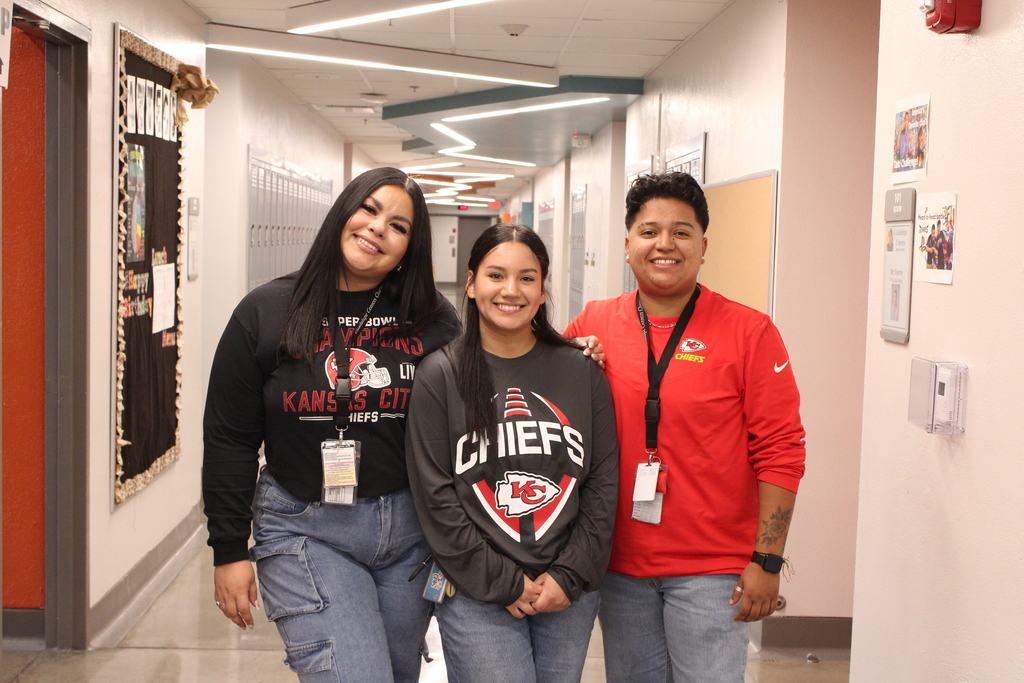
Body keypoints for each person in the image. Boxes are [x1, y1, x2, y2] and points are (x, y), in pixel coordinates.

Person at [203, 167, 461, 683]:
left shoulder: (432, 318)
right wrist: (229, 548)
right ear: (344, 211)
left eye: (399, 225)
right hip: (305, 527)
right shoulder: (267, 310)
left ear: (411, 246)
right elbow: (229, 438)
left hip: (413, 531)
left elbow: (475, 404)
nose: (377, 228)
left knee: (398, 674)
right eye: (369, 209)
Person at [565, 172, 806, 683]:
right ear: (628, 242)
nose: (665, 245)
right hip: (619, 562)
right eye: (649, 231)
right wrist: (570, 360)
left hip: (711, 568)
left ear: (703, 246)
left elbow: (782, 449)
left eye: (682, 231)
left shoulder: (749, 331)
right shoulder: (593, 324)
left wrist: (767, 558)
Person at [406, 224, 619, 683]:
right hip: (476, 591)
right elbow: (435, 496)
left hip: (567, 593)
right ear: (470, 283)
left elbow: (602, 484)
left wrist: (570, 574)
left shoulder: (581, 371)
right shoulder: (439, 375)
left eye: (527, 278)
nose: (510, 290)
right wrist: (502, 582)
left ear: (543, 290)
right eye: (496, 275)